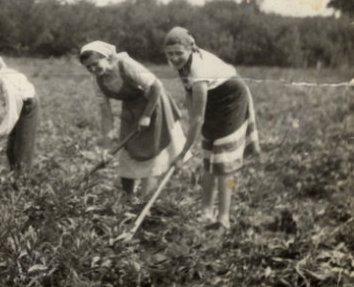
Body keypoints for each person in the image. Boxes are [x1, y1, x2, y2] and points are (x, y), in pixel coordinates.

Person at [163, 27, 260, 230]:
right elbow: (190, 98)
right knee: (208, 158)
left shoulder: (199, 69)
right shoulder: (179, 64)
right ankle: (206, 211)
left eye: (178, 53)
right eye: (170, 54)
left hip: (231, 99)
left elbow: (197, 118)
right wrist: (194, 133)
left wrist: (183, 152)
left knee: (225, 163)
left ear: (190, 49)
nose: (174, 58)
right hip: (213, 99)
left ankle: (223, 218)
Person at [79, 41, 188, 196]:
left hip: (154, 104)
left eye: (95, 64)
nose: (92, 69)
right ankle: (127, 199)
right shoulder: (96, 81)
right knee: (128, 153)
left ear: (108, 58)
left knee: (153, 153)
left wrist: (147, 116)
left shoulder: (126, 65)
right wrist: (106, 148)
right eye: (88, 67)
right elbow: (106, 114)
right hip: (131, 110)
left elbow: (157, 86)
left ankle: (144, 199)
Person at [0, 53, 39, 175]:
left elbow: (13, 114)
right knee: (11, 150)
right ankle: (14, 176)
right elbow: (1, 104)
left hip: (27, 107)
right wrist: (1, 128)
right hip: (16, 107)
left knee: (22, 149)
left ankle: (22, 182)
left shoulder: (7, 82)